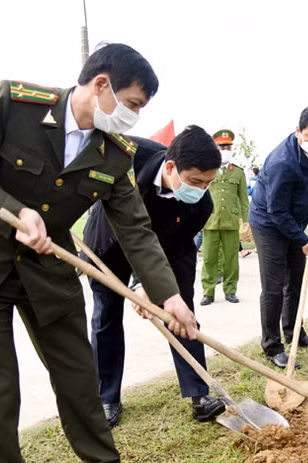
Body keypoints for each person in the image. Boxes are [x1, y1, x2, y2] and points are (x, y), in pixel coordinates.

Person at [0, 43, 199, 463]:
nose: (134, 117)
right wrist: (10, 209)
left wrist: (170, 298)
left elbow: (136, 231)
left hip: (47, 269)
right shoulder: (13, 104)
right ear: (101, 85)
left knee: (79, 376)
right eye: (134, 104)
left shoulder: (114, 154)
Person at [82, 126, 226, 427]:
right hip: (109, 245)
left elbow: (177, 247)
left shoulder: (202, 203)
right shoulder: (129, 156)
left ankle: (199, 393)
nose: (201, 190)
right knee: (106, 317)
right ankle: (106, 398)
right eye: (195, 181)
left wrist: (156, 289)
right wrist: (139, 282)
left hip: (168, 251)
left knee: (183, 315)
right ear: (171, 167)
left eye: (208, 183)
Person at [248, 104, 308, 368]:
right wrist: (304, 239)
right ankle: (272, 347)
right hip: (269, 224)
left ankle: (296, 332)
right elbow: (276, 212)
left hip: (293, 221)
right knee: (273, 288)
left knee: (296, 281)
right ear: (298, 131)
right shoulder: (281, 163)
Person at [199, 129, 249, 305]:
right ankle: (208, 292)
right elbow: (199, 194)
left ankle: (230, 290)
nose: (225, 149)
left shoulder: (238, 172)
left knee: (231, 259)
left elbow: (243, 199)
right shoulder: (206, 170)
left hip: (231, 221)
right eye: (221, 146)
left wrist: (246, 221)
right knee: (209, 258)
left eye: (227, 146)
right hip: (210, 220)